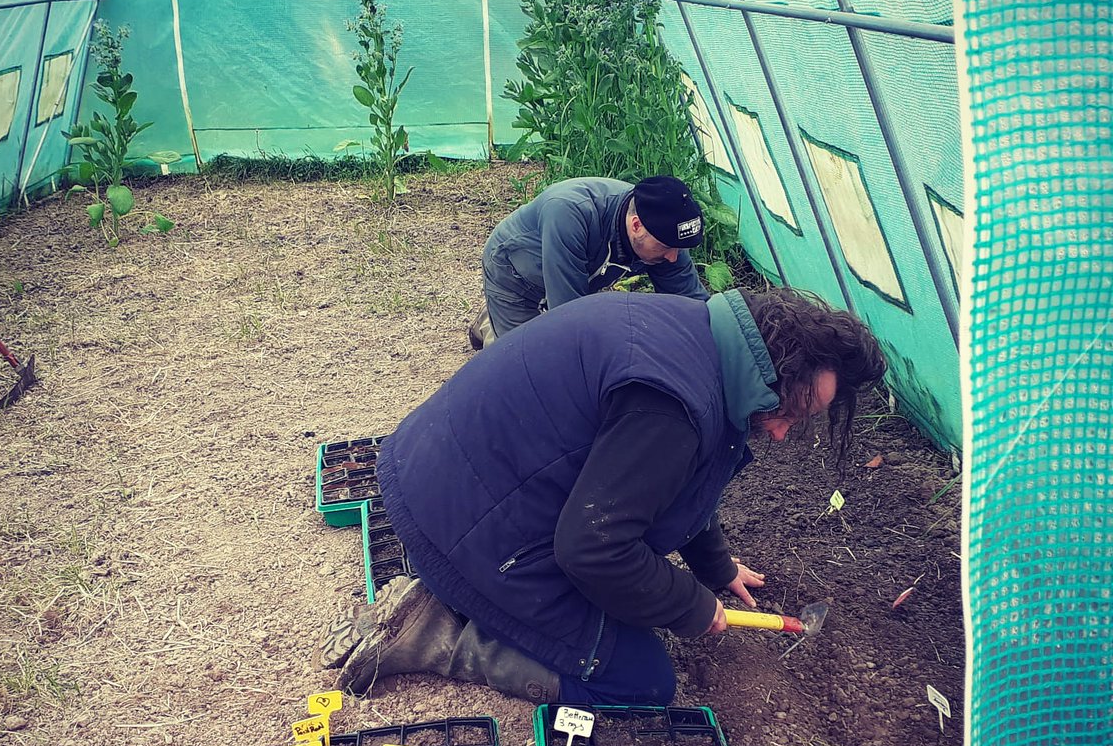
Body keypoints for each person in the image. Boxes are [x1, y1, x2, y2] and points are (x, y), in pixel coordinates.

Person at [325, 286, 886, 706]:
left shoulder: (695, 333)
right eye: (791, 411)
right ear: (775, 370)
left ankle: (459, 591)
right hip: (455, 522)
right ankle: (440, 634)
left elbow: (681, 485)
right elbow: (594, 550)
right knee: (639, 679)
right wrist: (693, 606)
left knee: (627, 596)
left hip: (434, 477)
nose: (783, 431)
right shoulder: (674, 406)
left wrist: (714, 568)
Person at [469, 175, 709, 347]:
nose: (673, 257)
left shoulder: (664, 233)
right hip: (515, 272)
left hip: (577, 271)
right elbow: (570, 321)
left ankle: (498, 317)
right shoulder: (569, 213)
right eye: (667, 248)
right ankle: (494, 320)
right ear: (636, 226)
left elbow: (693, 308)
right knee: (525, 363)